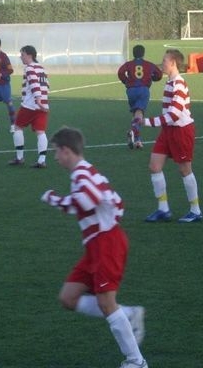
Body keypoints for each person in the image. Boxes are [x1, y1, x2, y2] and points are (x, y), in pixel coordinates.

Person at [40, 126, 148, 368]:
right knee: (68, 298)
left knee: (106, 303)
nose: (55, 157)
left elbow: (89, 199)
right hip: (97, 245)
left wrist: (56, 200)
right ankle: (128, 313)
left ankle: (137, 361)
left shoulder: (81, 174)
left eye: (56, 151)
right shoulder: (86, 172)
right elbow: (117, 203)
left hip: (106, 243)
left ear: (66, 150)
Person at [135, 49, 203, 223]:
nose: (162, 63)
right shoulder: (169, 82)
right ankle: (163, 209)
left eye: (164, 60)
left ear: (173, 63)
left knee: (185, 170)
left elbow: (174, 115)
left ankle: (195, 211)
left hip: (181, 130)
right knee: (154, 166)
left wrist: (146, 122)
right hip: (168, 130)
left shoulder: (178, 84)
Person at [9, 45, 50, 168]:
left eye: (22, 55)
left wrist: (38, 99)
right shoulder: (41, 68)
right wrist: (43, 101)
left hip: (30, 105)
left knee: (17, 127)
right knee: (40, 132)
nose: (21, 57)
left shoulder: (29, 68)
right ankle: (42, 160)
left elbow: (34, 83)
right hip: (43, 105)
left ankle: (19, 157)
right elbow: (47, 85)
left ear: (29, 55)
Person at [118, 44, 163, 150]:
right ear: (143, 53)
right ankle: (133, 131)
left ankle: (137, 140)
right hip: (143, 90)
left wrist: (126, 81)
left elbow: (120, 72)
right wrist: (153, 78)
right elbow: (159, 74)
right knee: (139, 112)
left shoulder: (129, 64)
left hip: (131, 91)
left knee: (136, 113)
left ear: (133, 53)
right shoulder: (149, 64)